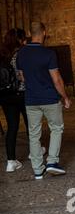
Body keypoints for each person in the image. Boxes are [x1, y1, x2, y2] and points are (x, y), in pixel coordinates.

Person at [16, 22, 72, 180]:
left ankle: (37, 170)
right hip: (49, 99)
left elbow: (22, 76)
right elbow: (57, 79)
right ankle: (52, 162)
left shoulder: (21, 54)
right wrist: (65, 97)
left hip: (31, 99)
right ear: (44, 32)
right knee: (56, 128)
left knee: (34, 134)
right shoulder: (49, 54)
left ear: (29, 32)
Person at [0, 29, 28, 172]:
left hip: (5, 95)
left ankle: (11, 161)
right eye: (24, 39)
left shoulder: (2, 55)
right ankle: (34, 152)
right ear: (20, 40)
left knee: (12, 127)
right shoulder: (22, 54)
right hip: (21, 94)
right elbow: (22, 76)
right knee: (31, 125)